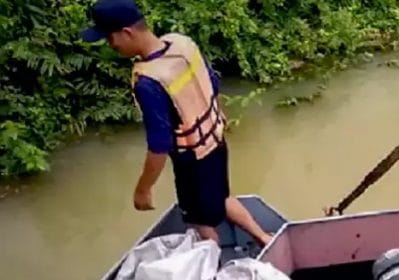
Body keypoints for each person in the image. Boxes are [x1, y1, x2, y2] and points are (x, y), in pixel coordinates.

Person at [80, 0, 272, 246]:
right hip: (215, 140)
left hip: (192, 160)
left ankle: (212, 270)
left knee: (200, 221)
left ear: (127, 32)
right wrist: (218, 115)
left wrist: (143, 189)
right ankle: (263, 237)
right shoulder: (181, 44)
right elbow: (211, 83)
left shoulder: (148, 82)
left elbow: (160, 144)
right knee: (221, 195)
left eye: (110, 38)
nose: (110, 45)